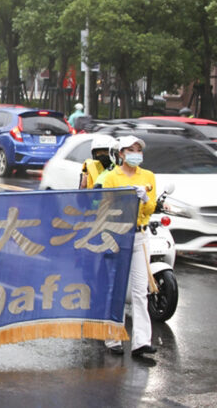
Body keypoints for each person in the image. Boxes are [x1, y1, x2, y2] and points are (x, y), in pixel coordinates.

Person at [102, 135, 157, 357]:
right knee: (115, 289)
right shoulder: (111, 178)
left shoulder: (148, 176)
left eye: (138, 150)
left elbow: (150, 209)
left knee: (140, 291)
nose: (136, 153)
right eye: (131, 149)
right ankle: (113, 337)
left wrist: (144, 199)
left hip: (140, 237)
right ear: (121, 154)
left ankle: (141, 342)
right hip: (117, 236)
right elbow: (106, 205)